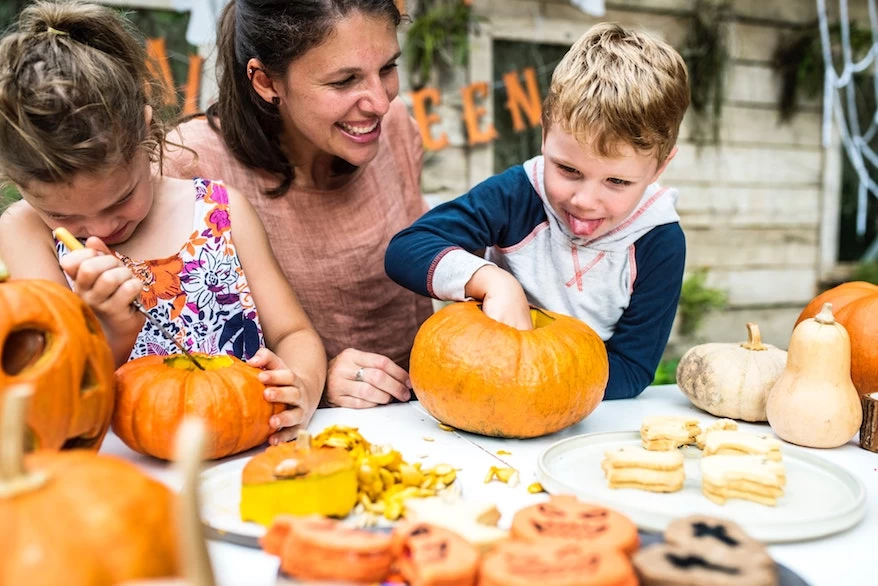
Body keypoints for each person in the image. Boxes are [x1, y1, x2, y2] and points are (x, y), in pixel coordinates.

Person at [0, 0, 326, 444]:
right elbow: (56, 397)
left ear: (148, 134)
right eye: (62, 215)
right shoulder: (25, 234)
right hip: (119, 476)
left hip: (245, 454)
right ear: (18, 185)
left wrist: (302, 386)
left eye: (122, 197)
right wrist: (109, 327)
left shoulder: (219, 212)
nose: (98, 230)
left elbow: (293, 333)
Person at [385, 22, 691, 400]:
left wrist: (535, 384)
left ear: (659, 167)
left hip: (578, 413)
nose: (585, 200)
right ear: (545, 135)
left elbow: (632, 368)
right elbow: (407, 249)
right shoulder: (518, 195)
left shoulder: (659, 241)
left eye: (617, 182)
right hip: (484, 386)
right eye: (568, 170)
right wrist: (494, 280)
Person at [163, 0, 434, 410]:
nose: (380, 102)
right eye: (345, 81)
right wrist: (312, 383)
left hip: (426, 419)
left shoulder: (395, 127)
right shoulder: (190, 167)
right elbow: (170, 367)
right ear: (266, 81)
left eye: (387, 69)